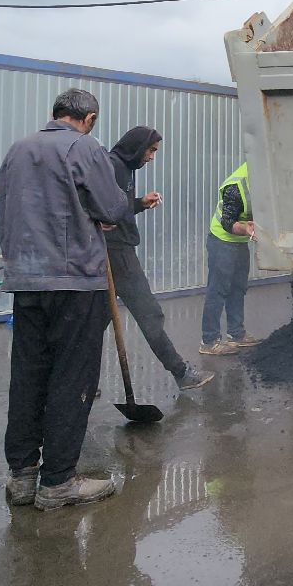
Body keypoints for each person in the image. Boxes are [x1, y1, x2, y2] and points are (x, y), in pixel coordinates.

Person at [0, 88, 131, 510]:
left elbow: (6, 208)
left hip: (26, 279)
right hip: (74, 281)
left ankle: (22, 477)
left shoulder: (18, 150)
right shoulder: (85, 147)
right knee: (72, 377)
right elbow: (112, 208)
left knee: (29, 374)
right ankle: (57, 482)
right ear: (88, 119)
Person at [106, 126, 213, 391]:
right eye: (151, 151)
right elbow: (105, 211)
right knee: (149, 314)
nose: (152, 157)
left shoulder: (124, 167)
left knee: (94, 320)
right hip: (117, 253)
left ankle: (77, 381)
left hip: (114, 252)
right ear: (137, 147)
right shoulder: (114, 167)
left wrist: (139, 203)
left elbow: (118, 208)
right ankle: (182, 373)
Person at [199, 161, 258, 356]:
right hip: (222, 240)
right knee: (218, 290)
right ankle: (209, 341)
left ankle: (236, 334)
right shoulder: (235, 186)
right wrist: (246, 229)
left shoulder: (264, 179)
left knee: (238, 287)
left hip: (240, 241)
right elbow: (227, 222)